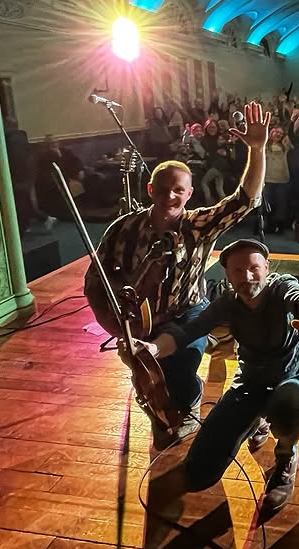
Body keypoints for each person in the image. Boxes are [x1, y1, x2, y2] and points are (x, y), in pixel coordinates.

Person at [84, 101, 270, 449]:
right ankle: (165, 406)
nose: (170, 196)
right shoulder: (123, 228)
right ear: (150, 189)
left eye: (178, 190)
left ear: (189, 194)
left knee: (180, 373)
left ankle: (189, 400)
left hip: (189, 314)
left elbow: (244, 200)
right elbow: (95, 281)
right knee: (148, 378)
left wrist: (257, 150)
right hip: (138, 320)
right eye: (163, 189)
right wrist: (115, 326)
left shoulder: (198, 225)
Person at [131, 239, 299, 516]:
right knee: (198, 473)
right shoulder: (228, 303)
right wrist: (152, 349)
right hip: (250, 383)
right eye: (237, 271)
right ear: (228, 276)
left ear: (267, 268)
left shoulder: (280, 287)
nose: (247, 277)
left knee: (287, 404)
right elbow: (189, 331)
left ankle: (286, 453)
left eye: (254, 268)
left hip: (289, 379)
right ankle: (258, 418)